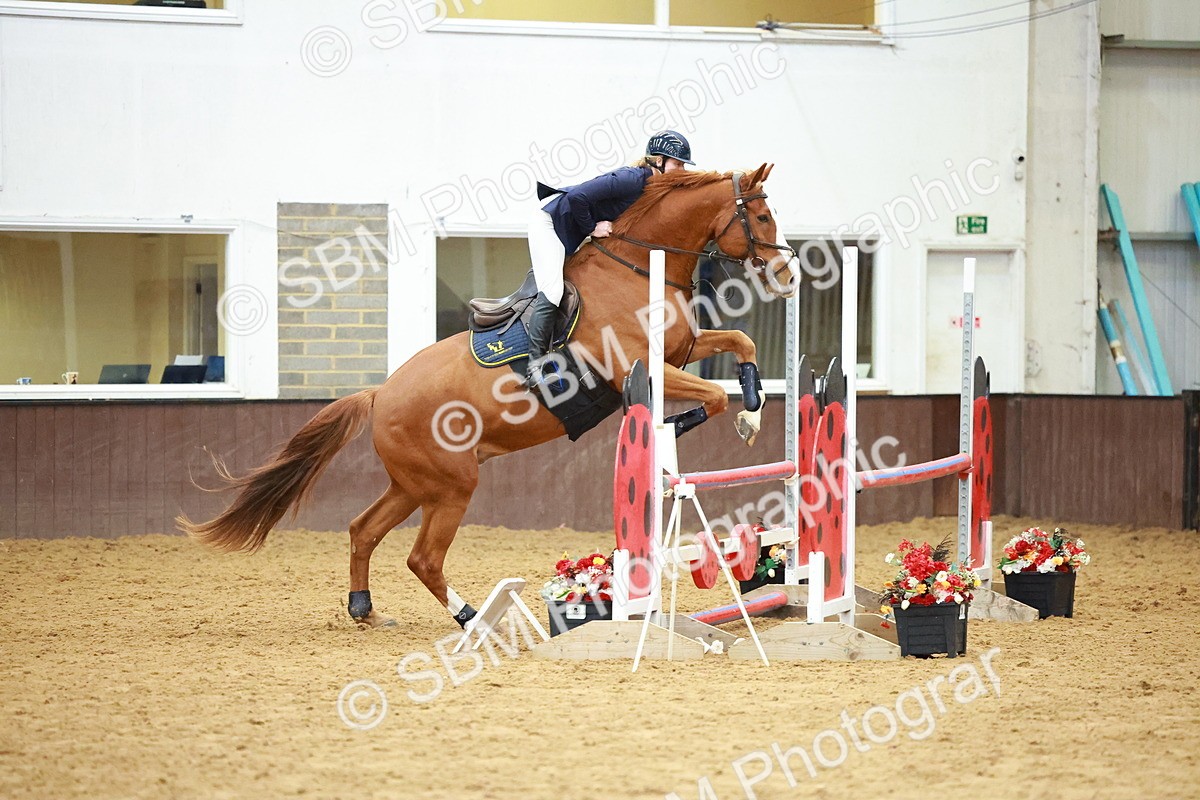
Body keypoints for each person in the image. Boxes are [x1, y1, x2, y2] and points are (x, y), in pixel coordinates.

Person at [524, 130, 695, 387]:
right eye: (677, 163)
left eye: (683, 165)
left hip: (567, 227)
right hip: (549, 222)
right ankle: (534, 368)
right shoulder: (632, 179)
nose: (681, 170)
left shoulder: (651, 188)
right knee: (553, 290)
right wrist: (592, 227)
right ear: (658, 160)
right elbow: (577, 197)